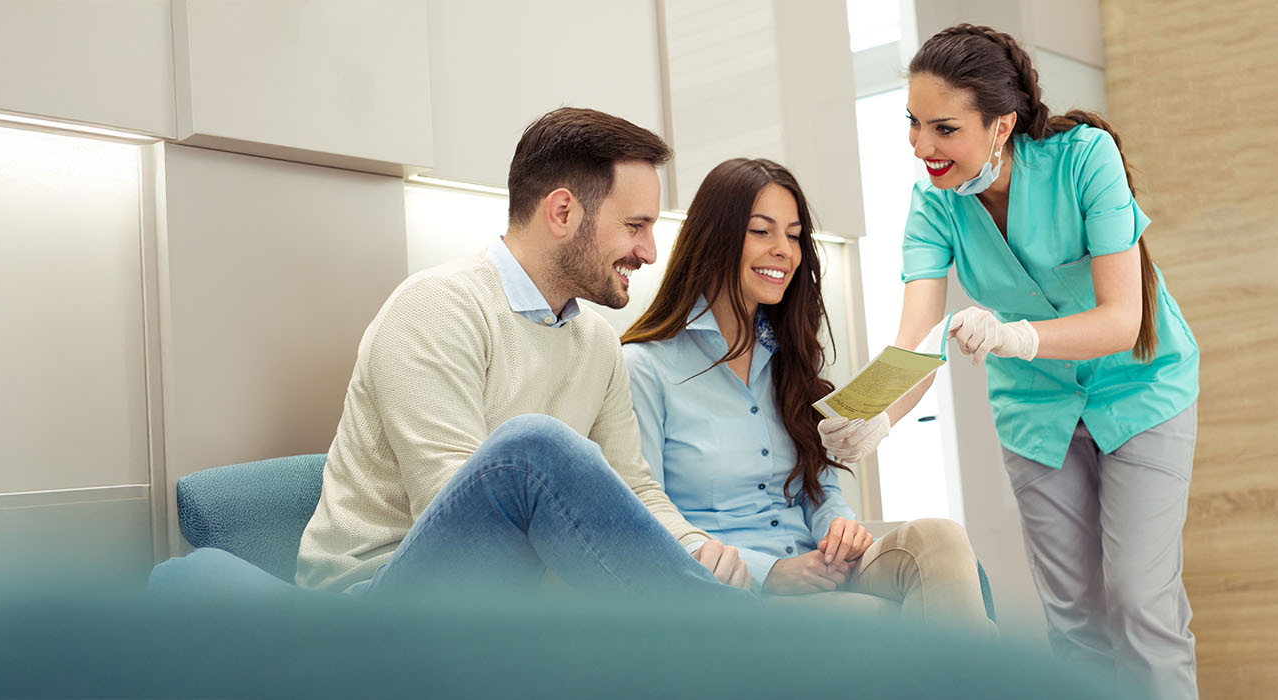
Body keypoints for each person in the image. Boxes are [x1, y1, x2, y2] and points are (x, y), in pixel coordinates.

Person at [820, 24, 1203, 698]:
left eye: (944, 128)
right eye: (913, 124)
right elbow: (915, 337)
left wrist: (1017, 337)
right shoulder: (933, 205)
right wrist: (873, 418)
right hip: (1037, 416)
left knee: (1140, 598)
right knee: (1075, 620)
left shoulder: (1086, 158)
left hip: (1142, 392)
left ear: (1001, 125)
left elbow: (1123, 318)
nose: (922, 147)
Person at [293, 107, 755, 604]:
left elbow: (636, 490)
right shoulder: (435, 307)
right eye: (635, 225)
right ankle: (729, 635)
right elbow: (461, 517)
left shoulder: (598, 343)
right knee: (531, 448)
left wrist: (693, 547)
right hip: (372, 600)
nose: (649, 252)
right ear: (562, 212)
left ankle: (722, 633)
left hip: (503, 608)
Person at [619, 158, 991, 632]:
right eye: (762, 231)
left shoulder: (790, 357)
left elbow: (820, 490)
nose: (784, 251)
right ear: (715, 236)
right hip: (734, 596)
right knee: (876, 621)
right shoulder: (644, 368)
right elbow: (646, 520)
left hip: (824, 569)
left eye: (793, 236)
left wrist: (839, 528)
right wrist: (769, 575)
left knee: (942, 538)